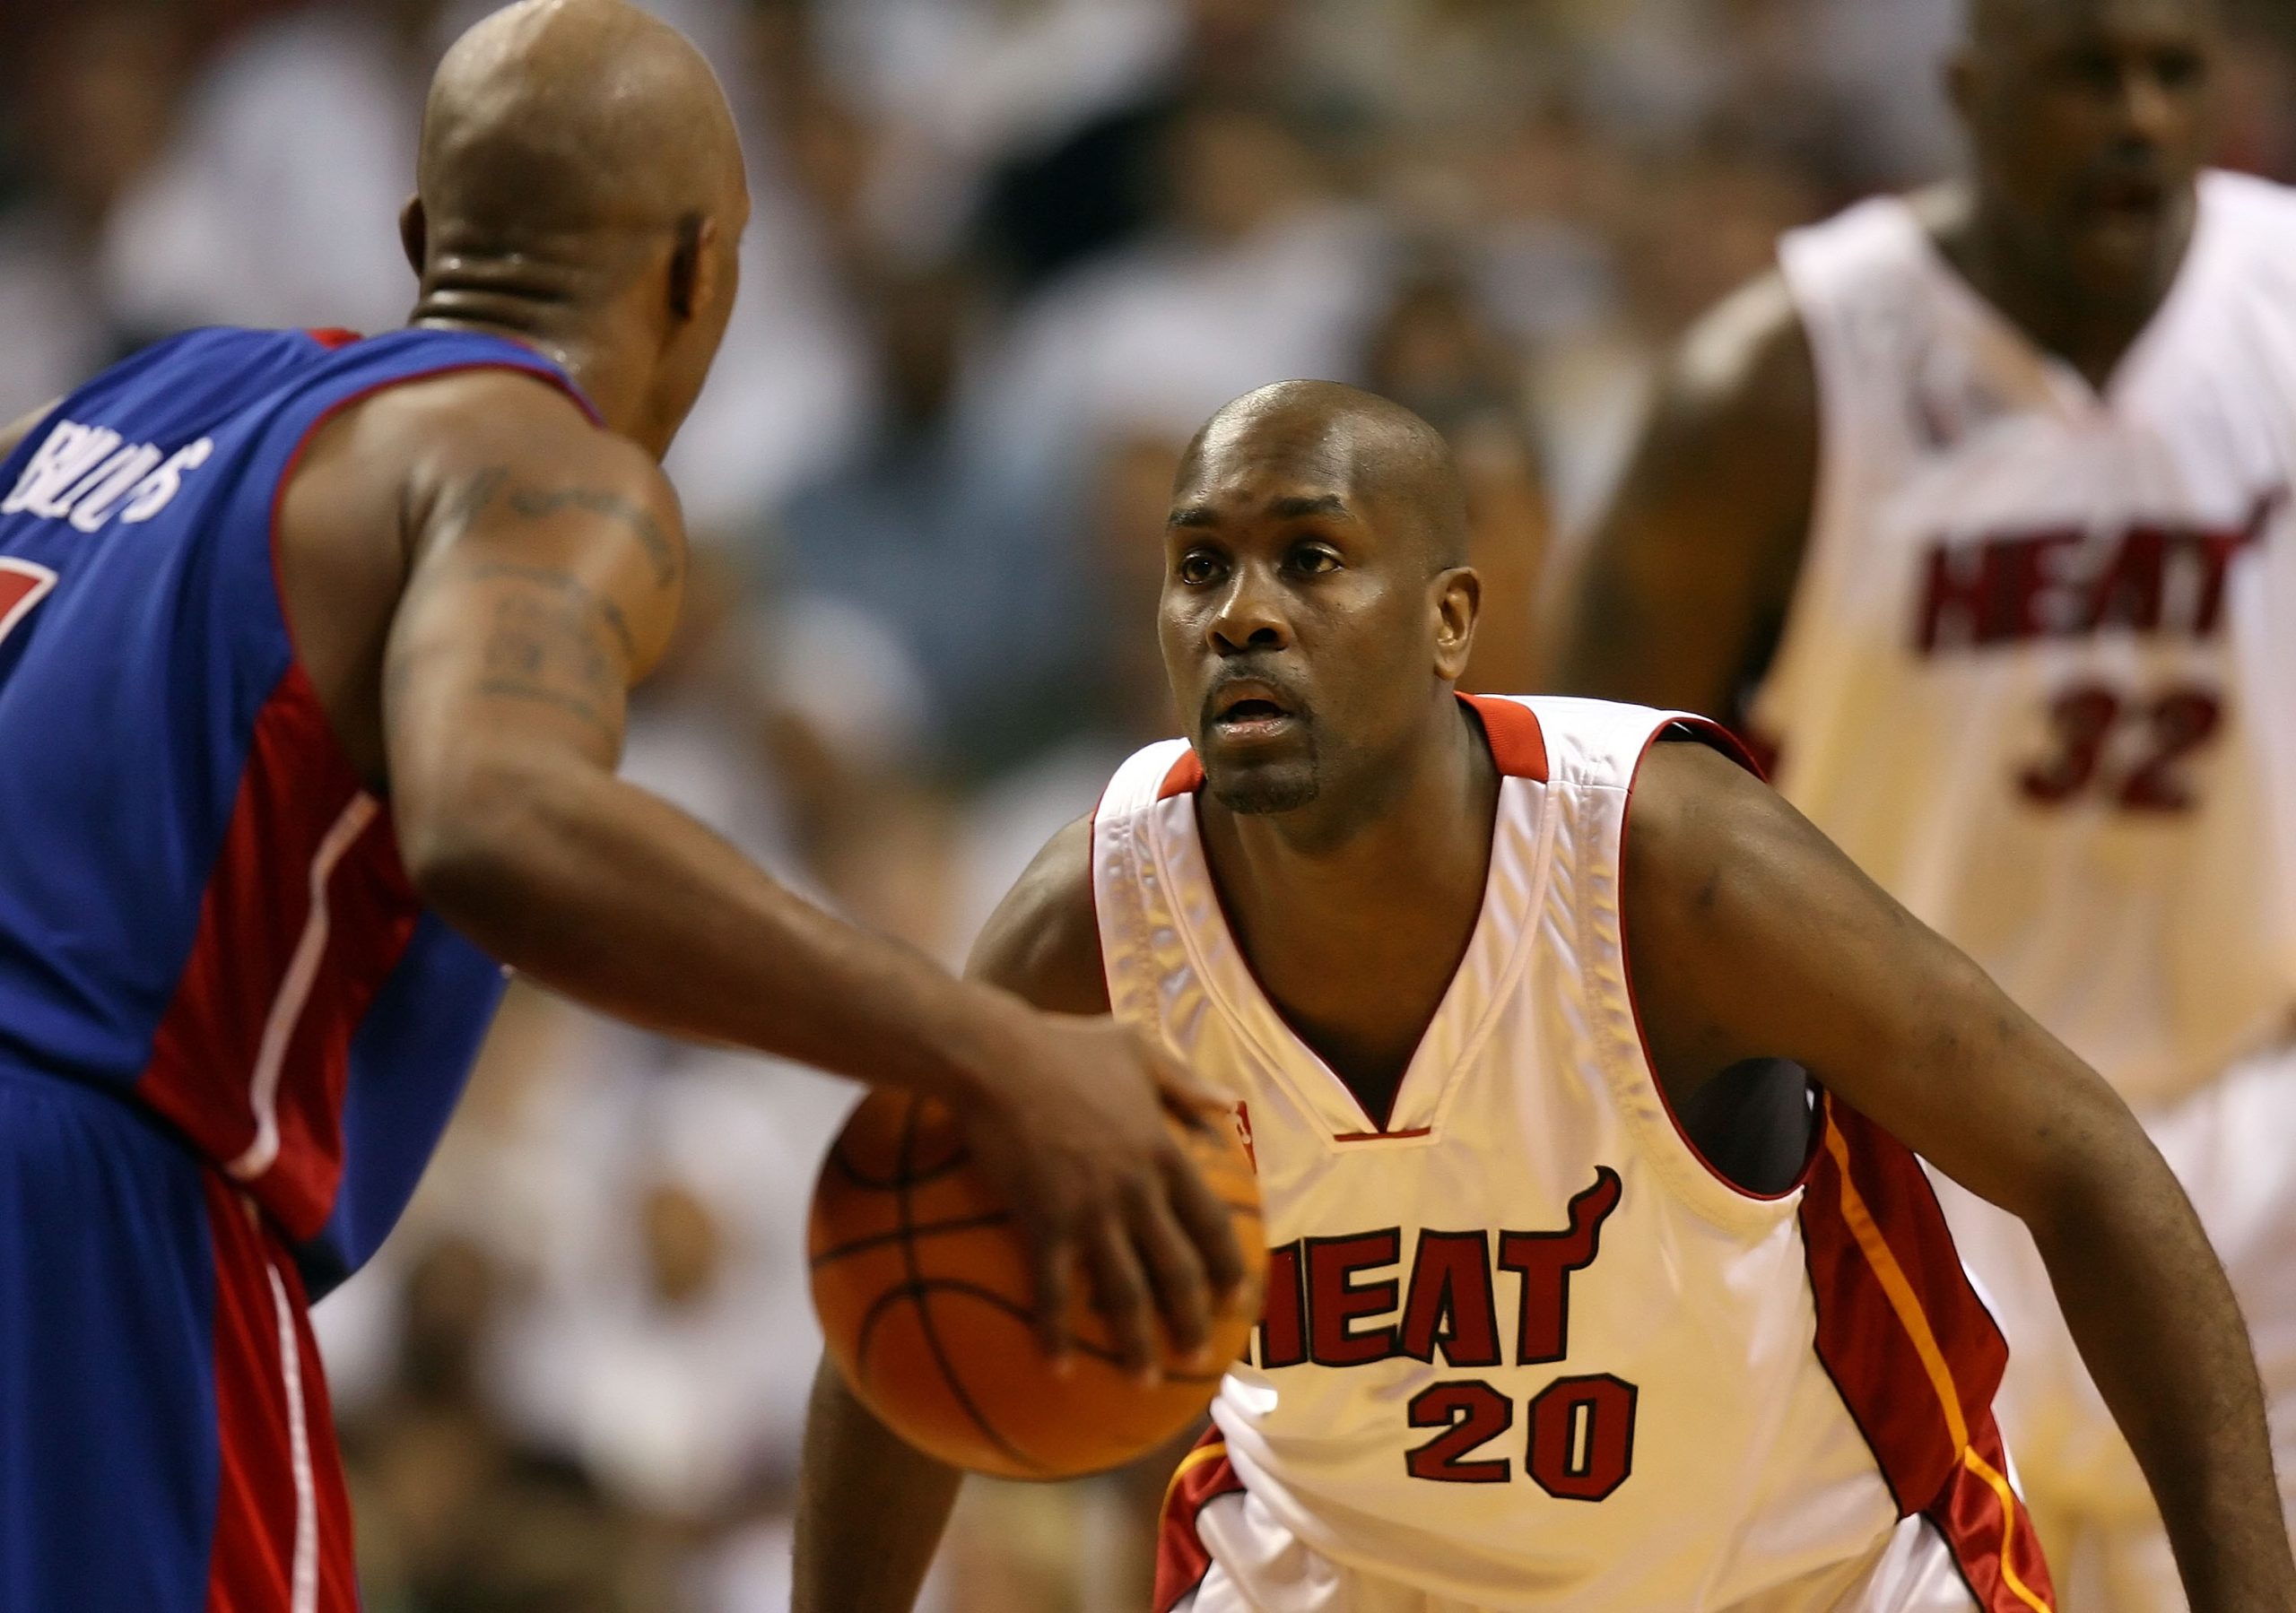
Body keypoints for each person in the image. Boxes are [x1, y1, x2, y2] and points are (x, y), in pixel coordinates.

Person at [0, 3, 1242, 1605]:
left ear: (419, 239)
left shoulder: (141, 396)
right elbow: (496, 820)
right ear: (700, 275)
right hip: (81, 1211)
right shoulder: (545, 462)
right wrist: (995, 1052)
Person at [792, 380, 2295, 1612]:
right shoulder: (1096, 919)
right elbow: (897, 1296)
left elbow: (2089, 1165)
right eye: (1203, 567)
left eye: (1310, 559)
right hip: (1342, 1575)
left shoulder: (1668, 864)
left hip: (1797, 1575)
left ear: (1453, 623)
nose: (1242, 614)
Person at [1554, 0, 2296, 1601]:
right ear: (1967, 89)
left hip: (2257, 1118)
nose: (2142, 119)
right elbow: (1590, 819)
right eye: (2087, 73)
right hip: (1916, 1162)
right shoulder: (1777, 384)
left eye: (2176, 73)